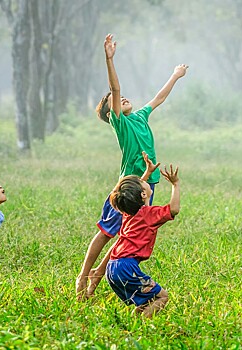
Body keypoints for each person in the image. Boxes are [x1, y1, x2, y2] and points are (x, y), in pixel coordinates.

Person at [76, 33, 188, 300]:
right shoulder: (121, 123)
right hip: (128, 186)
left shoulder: (139, 116)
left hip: (147, 184)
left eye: (124, 97)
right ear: (110, 112)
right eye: (115, 101)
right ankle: (83, 276)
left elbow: (158, 98)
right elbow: (114, 89)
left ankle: (97, 279)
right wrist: (109, 59)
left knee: (128, 234)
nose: (122, 98)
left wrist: (175, 76)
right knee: (106, 232)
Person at [106, 159, 180, 318]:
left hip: (112, 267)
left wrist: (147, 173)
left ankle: (132, 323)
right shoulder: (149, 215)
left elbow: (134, 193)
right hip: (126, 267)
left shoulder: (128, 212)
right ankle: (141, 327)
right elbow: (174, 209)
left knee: (146, 301)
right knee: (162, 296)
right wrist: (175, 184)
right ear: (143, 194)